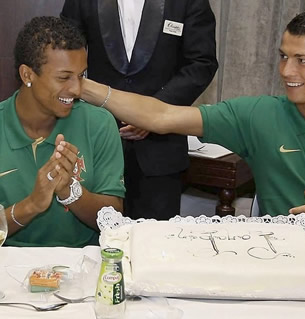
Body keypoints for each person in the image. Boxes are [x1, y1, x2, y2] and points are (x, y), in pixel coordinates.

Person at [79, 6, 305, 245]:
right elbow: (160, 116)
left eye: (303, 61)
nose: (287, 71)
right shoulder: (259, 115)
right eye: (283, 56)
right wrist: (82, 85)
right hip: (284, 262)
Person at [0, 16, 125, 247]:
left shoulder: (100, 124)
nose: (77, 89)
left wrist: (71, 191)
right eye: (64, 77)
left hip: (81, 266)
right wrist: (31, 205)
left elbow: (114, 222)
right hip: (3, 265)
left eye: (81, 76)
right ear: (27, 75)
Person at [60, 0, 218, 220]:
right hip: (98, 142)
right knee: (96, 241)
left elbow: (202, 63)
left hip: (160, 151)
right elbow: (63, 52)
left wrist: (152, 113)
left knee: (155, 243)